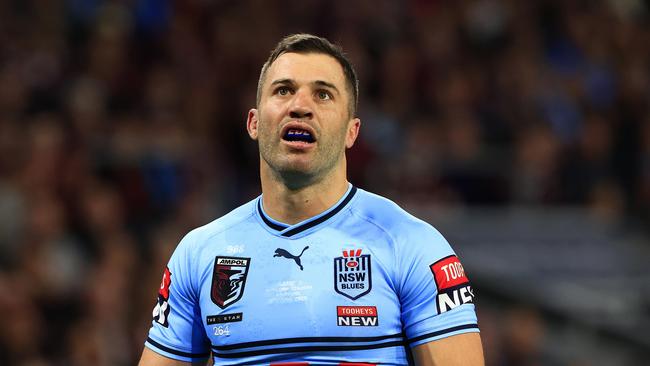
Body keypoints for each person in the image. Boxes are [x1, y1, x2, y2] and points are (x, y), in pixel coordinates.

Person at [139, 33, 484, 366]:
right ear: (254, 123)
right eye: (284, 90)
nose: (300, 106)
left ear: (352, 132)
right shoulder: (199, 253)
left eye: (323, 95)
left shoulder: (413, 246)